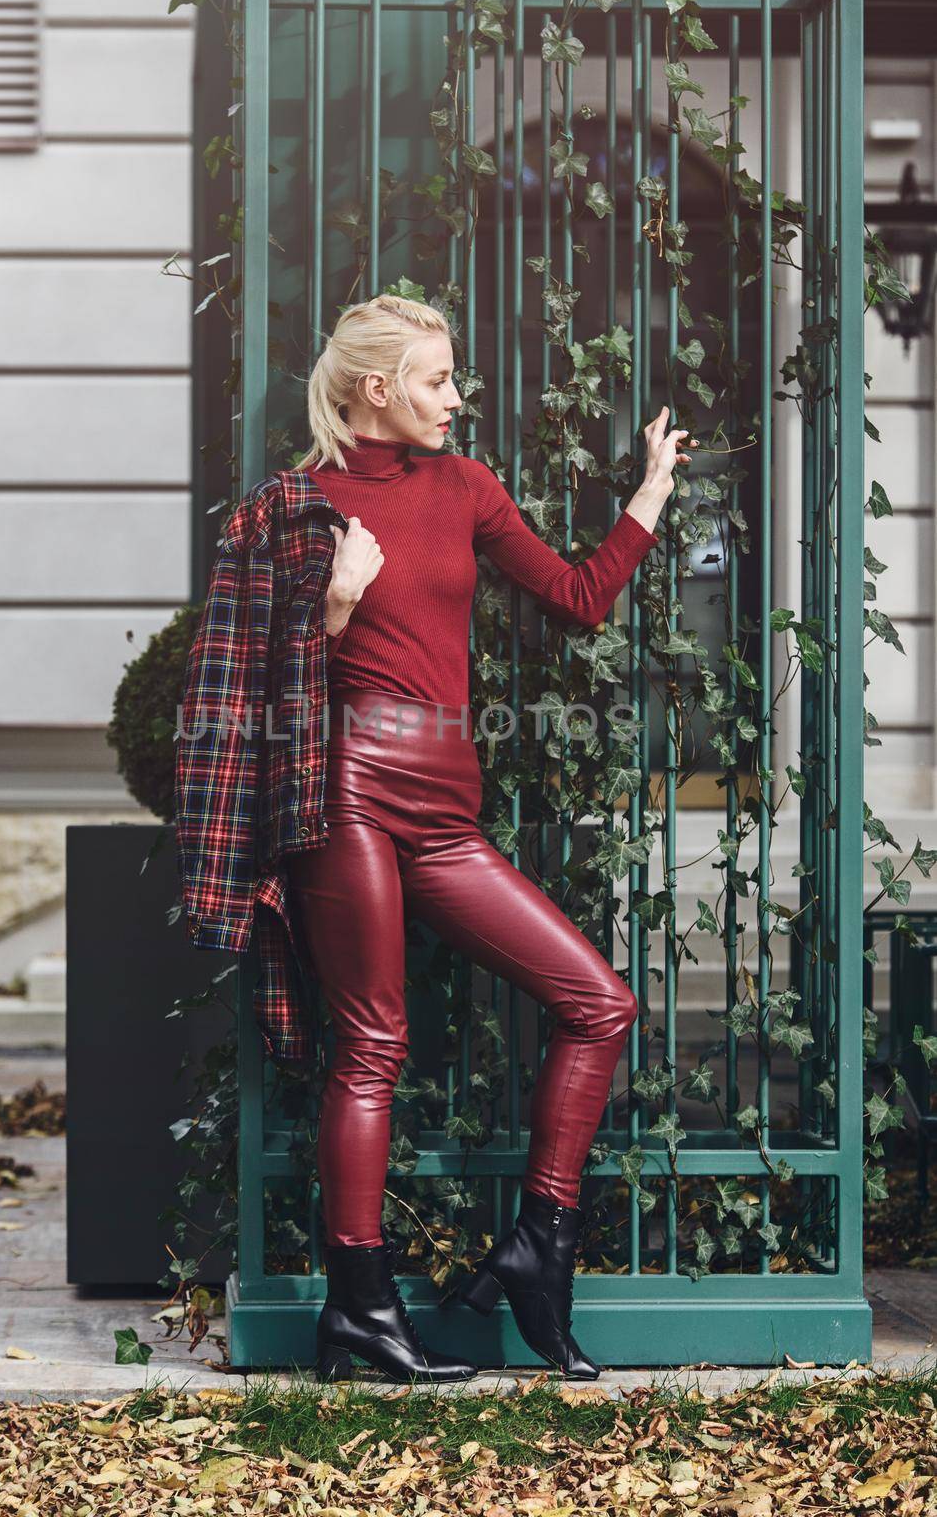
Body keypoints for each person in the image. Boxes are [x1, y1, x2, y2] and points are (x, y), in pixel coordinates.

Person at [286, 293, 693, 1384]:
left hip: (444, 810)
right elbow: (250, 686)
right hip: (353, 789)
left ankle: (534, 1248)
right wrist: (331, 609)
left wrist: (649, 493)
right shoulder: (304, 503)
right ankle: (360, 1312)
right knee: (372, 1043)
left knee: (598, 1000)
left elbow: (576, 595)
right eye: (436, 381)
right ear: (378, 388)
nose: (456, 398)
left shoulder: (463, 487)